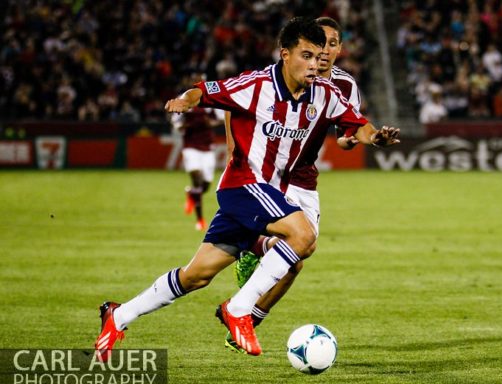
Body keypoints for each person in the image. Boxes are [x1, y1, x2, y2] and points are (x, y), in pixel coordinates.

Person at [94, 17, 400, 359]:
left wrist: (374, 137)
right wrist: (187, 99)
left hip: (272, 193)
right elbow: (205, 90)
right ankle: (239, 308)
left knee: (196, 275)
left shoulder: (326, 95)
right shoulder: (255, 85)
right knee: (303, 236)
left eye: (318, 57)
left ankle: (118, 315)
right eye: (306, 55)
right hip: (243, 185)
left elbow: (355, 124)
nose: (315, 64)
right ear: (285, 54)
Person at [224, 16, 364, 353]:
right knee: (301, 248)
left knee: (300, 256)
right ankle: (245, 313)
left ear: (340, 49)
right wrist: (233, 148)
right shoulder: (276, 78)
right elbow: (231, 103)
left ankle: (252, 281)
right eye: (320, 44)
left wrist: (351, 141)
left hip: (303, 179)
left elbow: (348, 134)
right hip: (265, 175)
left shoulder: (344, 87)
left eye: (332, 44)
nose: (325, 51)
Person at [170, 74, 223, 231]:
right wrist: (184, 127)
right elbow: (176, 123)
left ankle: (191, 193)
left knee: (205, 186)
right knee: (198, 180)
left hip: (207, 147)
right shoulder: (183, 100)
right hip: (191, 146)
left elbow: (220, 118)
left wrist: (210, 122)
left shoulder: (211, 100)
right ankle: (200, 220)